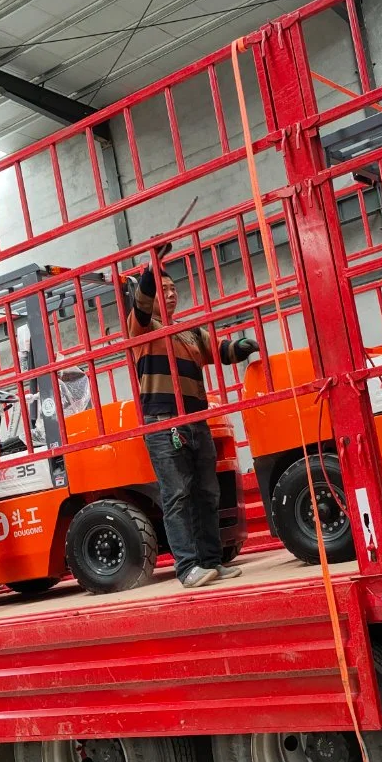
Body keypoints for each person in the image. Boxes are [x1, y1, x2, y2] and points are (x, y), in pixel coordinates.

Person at [127, 243, 259, 588]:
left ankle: (211, 561)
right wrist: (152, 267)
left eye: (173, 289)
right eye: (163, 289)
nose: (170, 295)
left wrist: (244, 345)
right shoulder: (142, 328)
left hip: (195, 420)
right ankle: (187, 568)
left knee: (206, 493)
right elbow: (140, 303)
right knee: (178, 495)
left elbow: (221, 351)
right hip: (163, 422)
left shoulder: (189, 331)